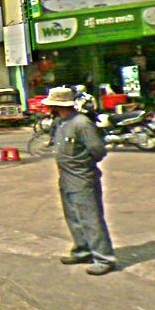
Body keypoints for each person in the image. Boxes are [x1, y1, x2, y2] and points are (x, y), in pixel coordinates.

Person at [43, 85, 116, 276]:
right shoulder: (60, 122)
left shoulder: (81, 123)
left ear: (60, 106)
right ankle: (83, 250)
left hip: (82, 177)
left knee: (90, 218)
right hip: (66, 177)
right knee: (73, 217)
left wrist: (83, 164)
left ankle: (104, 258)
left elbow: (98, 150)